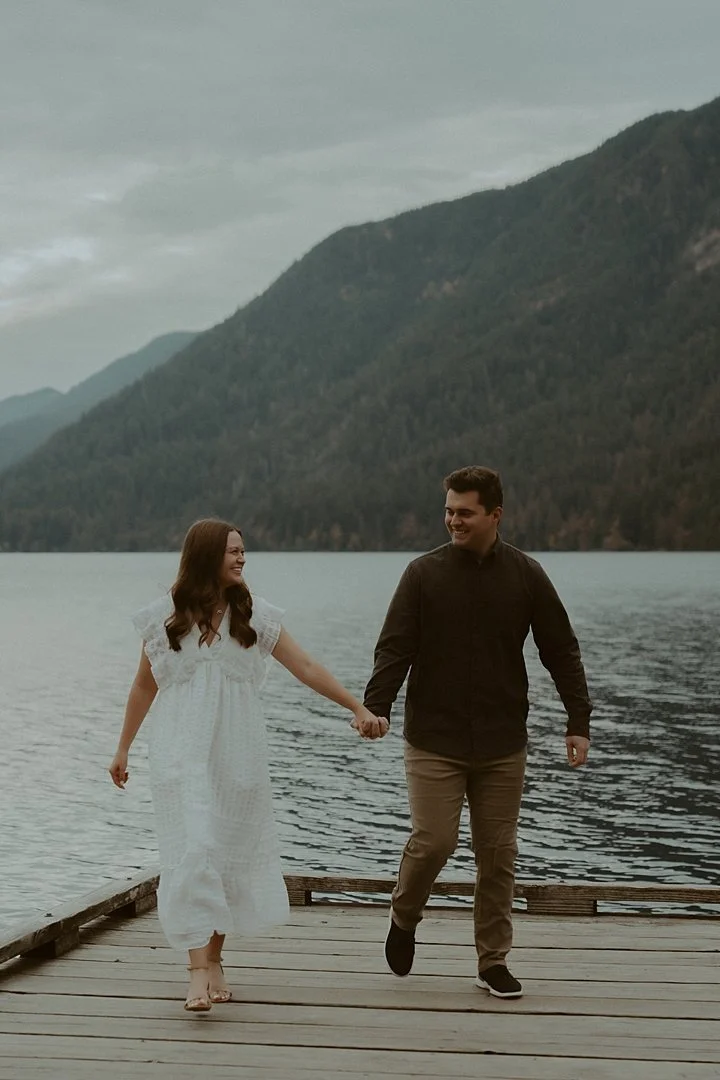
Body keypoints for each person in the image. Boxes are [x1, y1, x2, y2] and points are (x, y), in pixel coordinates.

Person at [108, 518, 388, 1012]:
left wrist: (356, 707)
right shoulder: (164, 619)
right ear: (206, 555)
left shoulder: (253, 618)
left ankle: (214, 958)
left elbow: (306, 667)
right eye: (233, 551)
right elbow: (143, 686)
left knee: (228, 856)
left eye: (243, 551)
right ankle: (195, 972)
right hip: (180, 754)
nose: (241, 558)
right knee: (194, 848)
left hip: (237, 757)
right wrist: (123, 747)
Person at [363, 466, 591, 999]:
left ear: (495, 515)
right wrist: (376, 706)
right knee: (435, 840)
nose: (452, 521)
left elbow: (561, 649)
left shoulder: (527, 575)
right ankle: (404, 914)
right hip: (433, 738)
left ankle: (492, 962)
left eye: (464, 512)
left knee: (497, 853)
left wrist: (577, 720)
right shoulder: (422, 574)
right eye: (447, 510)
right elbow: (395, 647)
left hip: (501, 742)